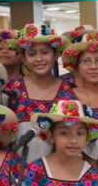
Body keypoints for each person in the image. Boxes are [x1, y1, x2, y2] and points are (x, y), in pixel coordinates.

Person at [5, 23, 74, 163]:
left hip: (57, 171)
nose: (38, 59)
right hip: (17, 170)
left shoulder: (68, 90)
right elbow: (3, 133)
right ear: (23, 58)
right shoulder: (12, 89)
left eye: (45, 52)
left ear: (56, 54)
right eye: (31, 54)